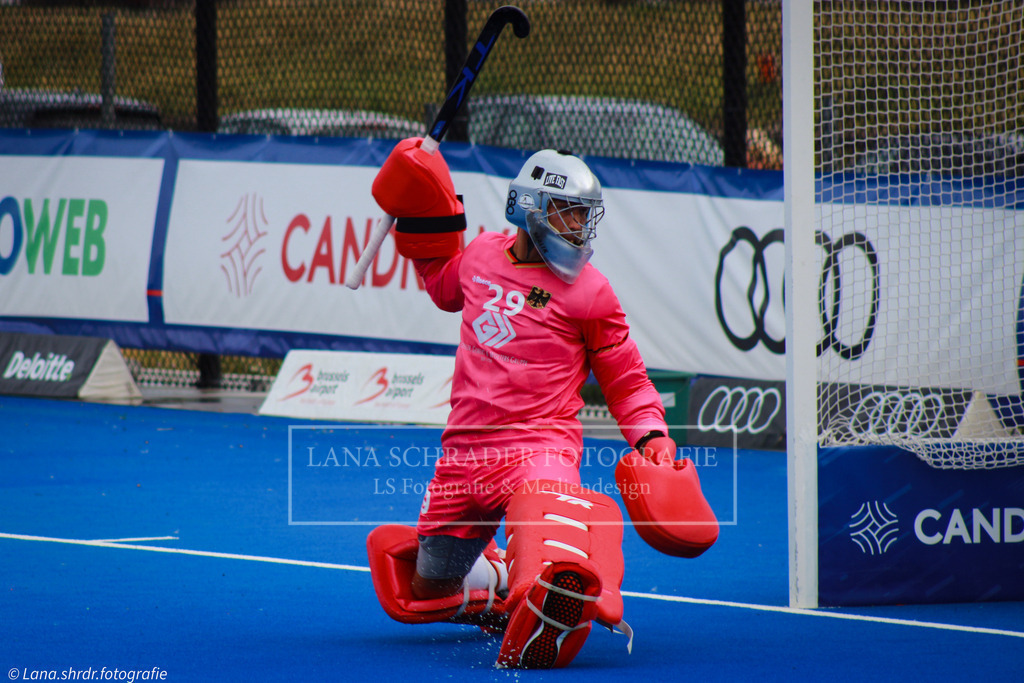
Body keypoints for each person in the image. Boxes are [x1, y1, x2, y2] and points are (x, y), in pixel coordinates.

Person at [365, 141, 717, 669]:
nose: (580, 227)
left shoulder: (592, 293)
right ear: (530, 208)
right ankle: (501, 582)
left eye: (584, 215)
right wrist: (420, 215)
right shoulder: (480, 254)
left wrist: (653, 438)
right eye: (569, 212)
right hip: (463, 455)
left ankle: (552, 590)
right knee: (428, 585)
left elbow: (627, 381)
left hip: (540, 452)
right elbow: (442, 286)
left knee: (553, 562)